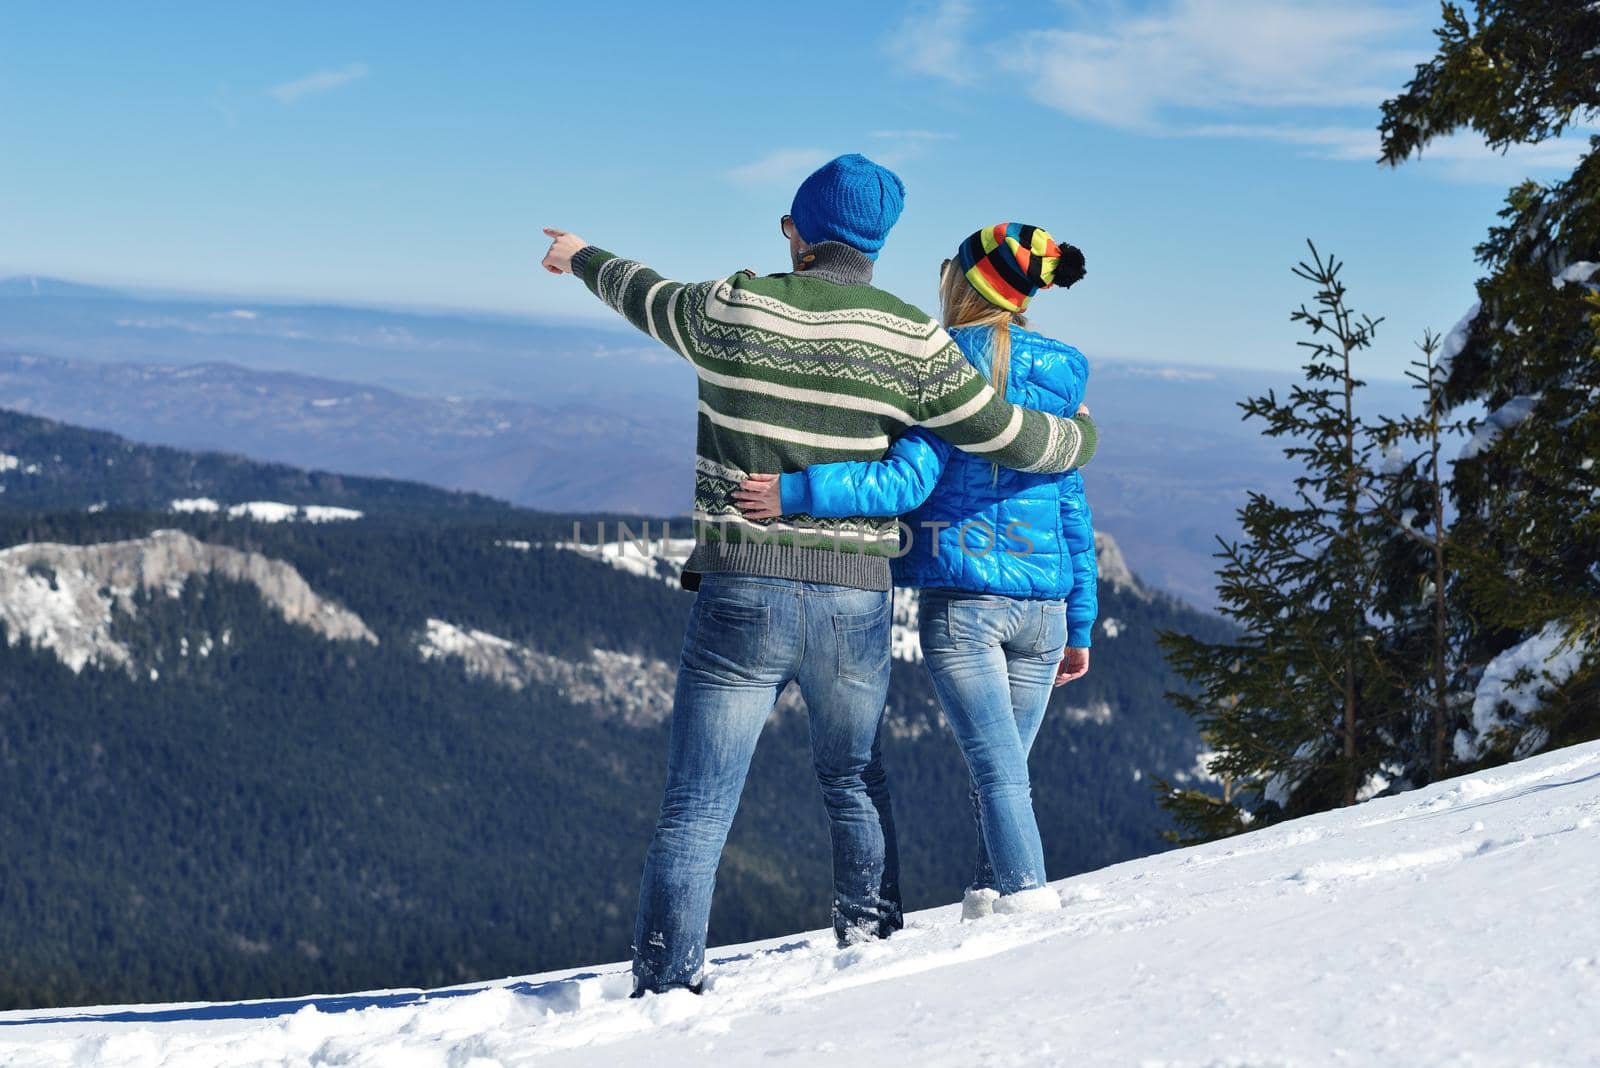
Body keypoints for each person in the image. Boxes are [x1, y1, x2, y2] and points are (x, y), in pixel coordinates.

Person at [539, 158, 1099, 996]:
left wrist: (579, 255)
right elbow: (1008, 435)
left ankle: (664, 985)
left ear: (799, 233)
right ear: (877, 245)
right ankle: (868, 952)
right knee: (853, 778)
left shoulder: (729, 305)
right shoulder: (913, 337)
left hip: (739, 590)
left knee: (695, 806)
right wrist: (1080, 439)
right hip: (854, 597)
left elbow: (644, 292)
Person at [734, 223, 1098, 918]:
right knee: (1006, 776)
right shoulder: (1063, 382)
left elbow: (900, 484)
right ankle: (989, 901)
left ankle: (1027, 912)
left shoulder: (940, 369)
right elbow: (1073, 509)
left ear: (965, 286)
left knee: (999, 775)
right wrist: (1079, 620)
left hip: (964, 605)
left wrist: (795, 493)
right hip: (1045, 609)